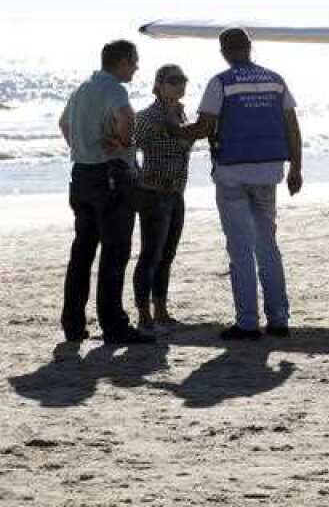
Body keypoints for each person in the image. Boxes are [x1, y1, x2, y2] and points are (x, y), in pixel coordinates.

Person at [177, 28, 303, 341]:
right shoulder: (275, 80)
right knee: (268, 244)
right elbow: (292, 126)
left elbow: (203, 127)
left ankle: (247, 322)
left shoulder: (221, 82)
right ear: (249, 48)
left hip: (233, 172)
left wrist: (169, 128)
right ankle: (278, 318)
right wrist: (296, 168)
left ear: (223, 51)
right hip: (269, 171)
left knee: (240, 249)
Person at [57, 40, 154, 345]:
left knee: (82, 251)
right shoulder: (114, 87)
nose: (137, 68)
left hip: (81, 174)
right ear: (123, 61)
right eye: (134, 62)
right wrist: (125, 143)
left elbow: (63, 123)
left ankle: (73, 324)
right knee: (115, 251)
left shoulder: (83, 88)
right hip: (109, 174)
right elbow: (126, 115)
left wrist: (82, 146)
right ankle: (114, 325)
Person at [131, 64, 194, 333]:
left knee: (167, 253)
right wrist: (139, 178)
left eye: (183, 80)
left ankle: (161, 309)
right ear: (159, 84)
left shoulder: (181, 113)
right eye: (173, 80)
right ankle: (143, 312)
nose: (179, 85)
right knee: (151, 253)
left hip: (176, 191)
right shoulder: (146, 116)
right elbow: (128, 148)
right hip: (154, 193)